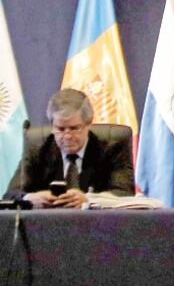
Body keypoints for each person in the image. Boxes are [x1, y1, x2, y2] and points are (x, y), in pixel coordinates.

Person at [5, 88, 134, 208]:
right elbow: (10, 195)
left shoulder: (112, 148)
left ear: (88, 124)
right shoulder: (37, 148)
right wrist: (29, 198)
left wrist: (89, 199)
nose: (67, 136)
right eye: (60, 129)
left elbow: (125, 194)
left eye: (74, 128)